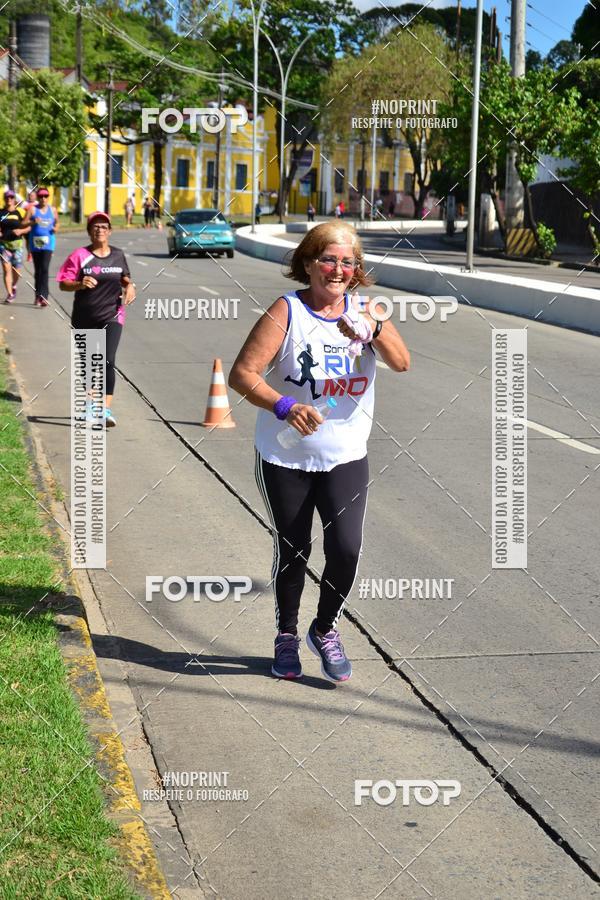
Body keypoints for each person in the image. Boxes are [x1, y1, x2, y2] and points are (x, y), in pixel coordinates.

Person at [228, 222, 410, 682]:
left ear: (356, 270)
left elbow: (402, 362)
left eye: (347, 262)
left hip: (346, 455)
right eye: (328, 259)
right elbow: (243, 375)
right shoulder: (286, 312)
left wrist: (374, 330)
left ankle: (324, 628)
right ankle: (286, 636)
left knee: (346, 549)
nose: (338, 269)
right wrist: (285, 405)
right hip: (285, 456)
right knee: (294, 551)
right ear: (308, 263)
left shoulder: (369, 311)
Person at [56, 211, 136, 427]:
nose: (100, 229)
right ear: (90, 232)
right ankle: (92, 405)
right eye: (95, 226)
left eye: (103, 226)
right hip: (85, 316)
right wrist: (80, 284)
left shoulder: (118, 255)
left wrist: (130, 286)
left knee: (107, 360)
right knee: (89, 365)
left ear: (109, 231)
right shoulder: (79, 255)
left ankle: (105, 409)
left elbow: (125, 278)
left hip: (112, 314)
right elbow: (63, 283)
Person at [28, 187, 59, 307]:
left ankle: (44, 297)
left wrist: (56, 228)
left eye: (45, 196)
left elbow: (57, 222)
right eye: (41, 196)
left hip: (48, 243)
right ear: (38, 197)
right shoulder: (32, 209)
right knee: (38, 270)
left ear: (48, 197)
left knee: (45, 269)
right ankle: (37, 295)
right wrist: (32, 222)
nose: (43, 198)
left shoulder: (53, 209)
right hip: (35, 243)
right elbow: (23, 223)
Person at [1, 190, 30, 303]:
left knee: (16, 271)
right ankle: (10, 294)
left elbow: (29, 227)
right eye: (7, 197)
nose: (9, 199)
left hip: (17, 245)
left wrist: (21, 230)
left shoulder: (21, 212)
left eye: (11, 197)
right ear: (4, 199)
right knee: (6, 269)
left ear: (14, 199)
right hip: (3, 245)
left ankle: (14, 286)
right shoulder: (1, 212)